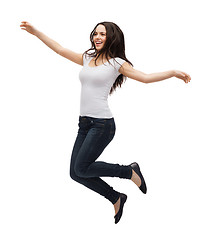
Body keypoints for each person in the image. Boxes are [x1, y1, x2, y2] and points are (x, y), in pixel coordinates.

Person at [20, 21, 191, 224]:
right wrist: (36, 32)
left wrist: (172, 73)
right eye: (95, 33)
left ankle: (128, 171)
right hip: (84, 124)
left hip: (102, 125)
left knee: (81, 167)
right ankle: (116, 197)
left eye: (102, 34)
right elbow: (60, 50)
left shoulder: (117, 63)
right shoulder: (88, 57)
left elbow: (145, 77)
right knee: (75, 173)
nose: (97, 37)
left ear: (111, 37)